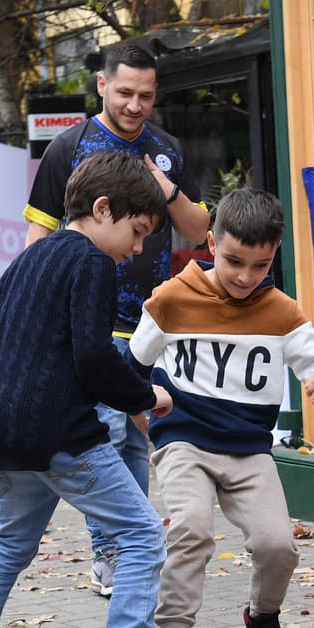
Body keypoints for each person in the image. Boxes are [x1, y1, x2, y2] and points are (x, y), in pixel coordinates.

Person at [0, 152, 216, 628]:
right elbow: (92, 355)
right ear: (102, 208)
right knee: (141, 536)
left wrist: (17, 381)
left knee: (9, 545)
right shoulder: (91, 262)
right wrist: (143, 396)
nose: (137, 249)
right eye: (136, 232)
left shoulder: (33, 257)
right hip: (58, 429)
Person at [130, 187, 314, 628]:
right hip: (183, 442)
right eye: (234, 261)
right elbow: (132, 368)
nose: (246, 277)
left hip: (250, 449)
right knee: (190, 529)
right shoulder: (170, 299)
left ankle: (263, 617)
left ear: (274, 255)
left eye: (260, 265)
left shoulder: (280, 311)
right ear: (211, 243)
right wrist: (143, 411)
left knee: (278, 545)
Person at [24, 43, 209, 598]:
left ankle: (126, 545)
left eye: (145, 95)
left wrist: (168, 191)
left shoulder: (167, 148)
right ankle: (112, 551)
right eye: (124, 92)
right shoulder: (67, 147)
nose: (134, 105)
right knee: (105, 433)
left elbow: (200, 230)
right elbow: (38, 235)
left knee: (134, 439)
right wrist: (41, 310)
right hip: (88, 319)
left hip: (152, 321)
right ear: (102, 85)